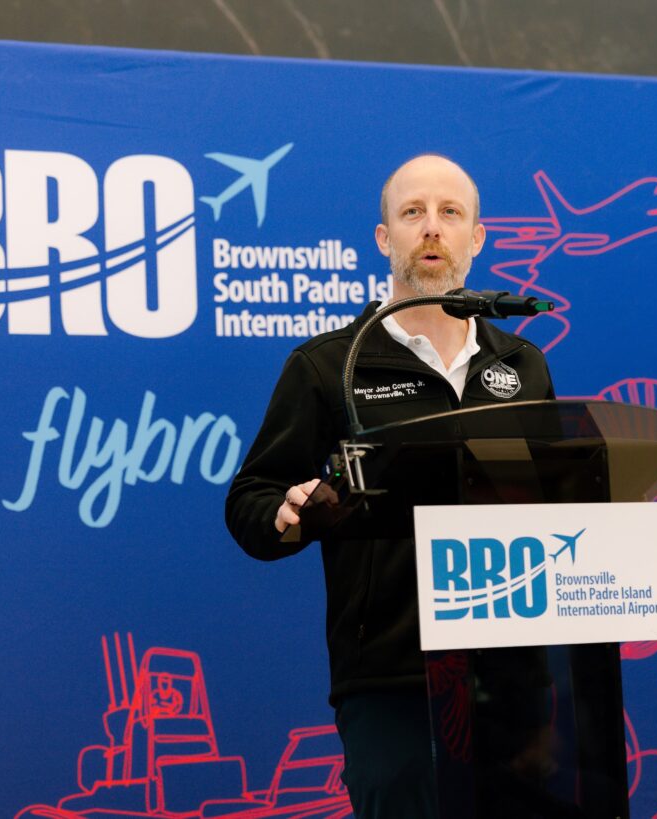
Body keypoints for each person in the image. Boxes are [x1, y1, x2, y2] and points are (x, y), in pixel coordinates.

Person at [225, 154, 555, 818]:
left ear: (477, 237)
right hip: (391, 677)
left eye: (450, 212)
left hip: (512, 675)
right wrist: (289, 512)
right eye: (413, 213)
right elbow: (252, 497)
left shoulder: (521, 364)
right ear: (384, 239)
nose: (432, 228)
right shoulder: (328, 364)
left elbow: (556, 500)